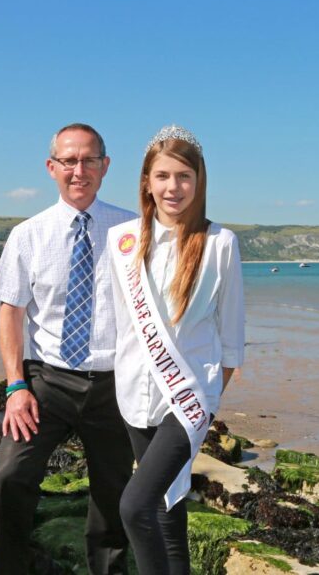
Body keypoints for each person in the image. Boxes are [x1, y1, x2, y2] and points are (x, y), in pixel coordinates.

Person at [0, 123, 138, 575]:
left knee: (113, 496)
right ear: (51, 168)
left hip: (115, 384)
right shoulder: (28, 234)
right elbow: (10, 313)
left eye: (89, 160)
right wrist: (16, 386)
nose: (79, 170)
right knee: (9, 477)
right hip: (46, 382)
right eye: (69, 161)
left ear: (105, 166)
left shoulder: (134, 230)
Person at [105, 124, 245, 575]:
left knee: (134, 506)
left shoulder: (220, 244)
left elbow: (232, 337)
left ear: (199, 181)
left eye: (184, 176)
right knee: (168, 510)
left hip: (186, 402)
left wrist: (205, 403)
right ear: (146, 181)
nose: (173, 187)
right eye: (163, 176)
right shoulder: (122, 240)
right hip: (133, 395)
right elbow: (116, 321)